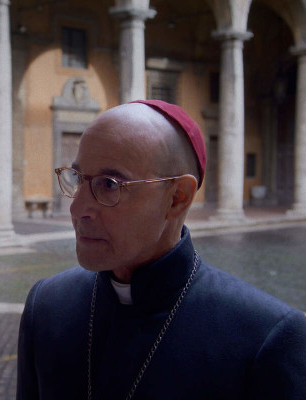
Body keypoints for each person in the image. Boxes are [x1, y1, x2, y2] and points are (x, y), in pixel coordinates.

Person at [17, 100, 306, 399]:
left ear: (177, 198)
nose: (77, 208)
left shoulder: (267, 338)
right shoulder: (47, 305)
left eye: (110, 184)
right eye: (77, 178)